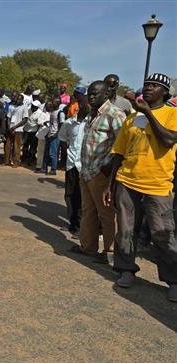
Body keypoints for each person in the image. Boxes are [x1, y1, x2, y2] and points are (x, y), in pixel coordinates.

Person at [103, 73, 177, 301]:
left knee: (162, 233)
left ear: (165, 92)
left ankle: (173, 279)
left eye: (154, 86)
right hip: (127, 180)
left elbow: (169, 140)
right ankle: (126, 269)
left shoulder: (173, 114)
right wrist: (110, 185)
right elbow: (119, 152)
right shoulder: (131, 119)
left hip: (158, 183)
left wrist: (148, 113)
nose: (148, 88)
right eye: (146, 85)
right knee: (125, 229)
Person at [68, 81, 125, 263]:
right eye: (90, 94)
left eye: (95, 94)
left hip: (101, 173)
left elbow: (122, 144)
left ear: (105, 95)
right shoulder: (93, 113)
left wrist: (107, 169)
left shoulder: (114, 114)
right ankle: (88, 247)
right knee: (88, 211)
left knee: (107, 214)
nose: (91, 97)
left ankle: (110, 252)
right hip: (86, 171)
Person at [58, 93, 89, 238]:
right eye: (80, 104)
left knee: (83, 198)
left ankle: (82, 227)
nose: (81, 107)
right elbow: (62, 138)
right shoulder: (69, 123)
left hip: (86, 166)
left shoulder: (92, 123)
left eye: (85, 104)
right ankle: (73, 224)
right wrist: (67, 152)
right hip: (72, 164)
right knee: (70, 196)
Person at [5, 94, 28, 167]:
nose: (17, 100)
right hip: (10, 129)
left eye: (19, 99)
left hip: (18, 129)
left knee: (16, 146)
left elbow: (25, 119)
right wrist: (9, 127)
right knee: (8, 146)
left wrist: (15, 127)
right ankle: (6, 161)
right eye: (16, 99)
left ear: (22, 100)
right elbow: (8, 117)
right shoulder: (12, 106)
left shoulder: (24, 107)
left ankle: (16, 162)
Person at [42, 98, 63, 175]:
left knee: (53, 153)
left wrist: (57, 133)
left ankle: (53, 169)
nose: (52, 103)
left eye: (54, 102)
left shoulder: (60, 113)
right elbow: (54, 122)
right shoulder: (53, 112)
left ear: (58, 103)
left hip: (55, 135)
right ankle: (44, 168)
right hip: (50, 134)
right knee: (46, 152)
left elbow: (61, 124)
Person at [30, 100, 50, 173]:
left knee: (48, 152)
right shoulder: (42, 114)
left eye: (49, 105)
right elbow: (39, 122)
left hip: (50, 135)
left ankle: (46, 167)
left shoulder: (53, 114)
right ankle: (39, 166)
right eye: (46, 105)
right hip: (42, 134)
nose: (48, 106)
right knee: (40, 151)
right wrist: (45, 122)